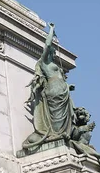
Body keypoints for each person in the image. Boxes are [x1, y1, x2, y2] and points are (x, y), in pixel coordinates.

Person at [21, 23, 74, 152]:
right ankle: (55, 134)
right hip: (53, 89)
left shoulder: (53, 63)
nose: (55, 53)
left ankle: (60, 134)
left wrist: (67, 86)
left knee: (63, 114)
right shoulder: (44, 62)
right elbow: (48, 44)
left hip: (62, 90)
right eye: (53, 51)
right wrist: (51, 30)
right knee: (56, 114)